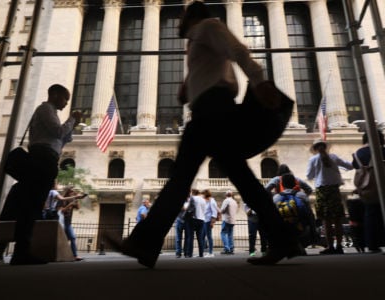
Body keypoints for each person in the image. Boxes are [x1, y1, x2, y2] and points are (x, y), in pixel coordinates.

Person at [106, 1, 302, 268]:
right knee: (241, 179)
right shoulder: (196, 41)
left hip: (214, 110)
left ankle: (144, 242)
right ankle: (283, 239)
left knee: (181, 178)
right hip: (206, 111)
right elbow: (211, 69)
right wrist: (188, 86)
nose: (178, 20)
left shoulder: (209, 26)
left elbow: (237, 50)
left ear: (192, 16)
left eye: (183, 15)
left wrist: (260, 82)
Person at [9, 84, 81, 265]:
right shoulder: (45, 109)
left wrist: (71, 125)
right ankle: (21, 251)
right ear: (55, 95)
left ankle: (23, 250)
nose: (66, 103)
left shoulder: (51, 113)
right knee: (31, 205)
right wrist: (72, 119)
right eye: (65, 98)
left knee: (34, 205)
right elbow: (58, 132)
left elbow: (61, 139)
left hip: (48, 160)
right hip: (41, 159)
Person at [306, 139, 353, 255]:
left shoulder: (313, 159)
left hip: (322, 190)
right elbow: (349, 166)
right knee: (337, 220)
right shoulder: (334, 157)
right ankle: (339, 247)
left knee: (326, 220)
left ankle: (330, 246)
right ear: (325, 147)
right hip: (334, 190)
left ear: (315, 149)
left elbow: (309, 175)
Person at [352, 130, 385, 253]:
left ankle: (372, 244)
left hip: (367, 189)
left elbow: (355, 167)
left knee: (370, 214)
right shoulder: (382, 150)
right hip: (382, 185)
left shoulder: (358, 153)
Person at [273, 173, 316, 251]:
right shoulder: (301, 195)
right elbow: (308, 213)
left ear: (282, 184)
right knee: (311, 216)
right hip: (300, 227)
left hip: (283, 227)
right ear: (294, 183)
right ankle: (311, 240)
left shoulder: (276, 197)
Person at [55, 186, 85, 261]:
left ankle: (75, 255)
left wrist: (76, 199)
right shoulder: (61, 200)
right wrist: (70, 205)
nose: (73, 193)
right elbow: (61, 211)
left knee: (72, 237)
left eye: (74, 192)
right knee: (62, 240)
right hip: (61, 223)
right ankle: (61, 254)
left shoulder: (72, 200)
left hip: (68, 223)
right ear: (67, 192)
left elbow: (78, 208)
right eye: (72, 191)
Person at [184, 189, 206, 258]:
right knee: (200, 238)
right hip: (201, 219)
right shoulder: (203, 199)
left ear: (193, 193)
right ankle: (201, 254)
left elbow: (189, 209)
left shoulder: (192, 198)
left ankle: (190, 254)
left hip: (193, 219)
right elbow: (204, 210)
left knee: (191, 237)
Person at [220, 190, 238, 255]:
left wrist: (219, 212)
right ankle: (231, 249)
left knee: (223, 233)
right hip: (232, 220)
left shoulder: (226, 200)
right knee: (230, 235)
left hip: (226, 220)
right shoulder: (234, 201)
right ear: (232, 194)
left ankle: (227, 249)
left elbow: (222, 210)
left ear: (226, 195)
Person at [201, 189, 219, 257]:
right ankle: (201, 252)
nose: (202, 196)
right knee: (202, 237)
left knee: (209, 237)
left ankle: (211, 253)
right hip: (204, 220)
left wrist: (212, 222)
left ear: (206, 195)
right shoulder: (205, 201)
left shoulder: (212, 201)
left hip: (208, 221)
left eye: (203, 194)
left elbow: (214, 212)